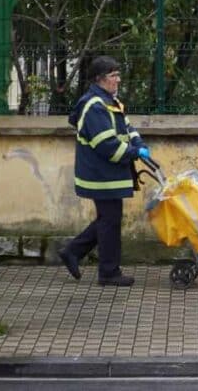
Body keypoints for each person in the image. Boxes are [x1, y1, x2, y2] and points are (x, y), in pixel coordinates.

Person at [58, 56, 150, 286]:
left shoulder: (110, 101)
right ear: (100, 79)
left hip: (108, 174)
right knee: (109, 221)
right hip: (101, 175)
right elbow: (106, 145)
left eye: (118, 75)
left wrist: (139, 144)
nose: (118, 80)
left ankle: (73, 252)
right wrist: (133, 153)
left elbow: (127, 127)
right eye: (113, 76)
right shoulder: (94, 106)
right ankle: (108, 272)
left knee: (108, 219)